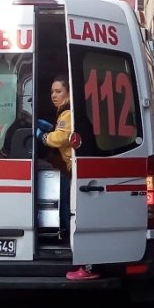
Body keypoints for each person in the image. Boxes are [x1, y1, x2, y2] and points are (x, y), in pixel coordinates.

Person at [36, 74, 99, 281]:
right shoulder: (64, 113)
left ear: (69, 93)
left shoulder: (69, 113)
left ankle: (87, 266)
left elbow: (62, 137)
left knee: (78, 215)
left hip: (78, 167)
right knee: (74, 212)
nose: (54, 95)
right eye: (52, 92)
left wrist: (44, 136)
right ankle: (85, 264)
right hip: (74, 167)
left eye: (58, 91)